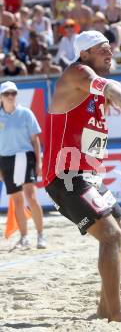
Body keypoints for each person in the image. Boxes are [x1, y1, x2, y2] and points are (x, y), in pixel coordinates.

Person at [42, 30, 121, 322]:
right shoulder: (77, 74)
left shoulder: (95, 90)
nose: (110, 54)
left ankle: (103, 309)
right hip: (65, 177)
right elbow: (112, 90)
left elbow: (118, 94)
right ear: (84, 54)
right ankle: (117, 316)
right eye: (102, 50)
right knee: (110, 236)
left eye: (110, 49)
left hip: (88, 176)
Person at [0, 81, 46, 249]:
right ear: (1, 97)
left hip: (24, 157)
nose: (11, 96)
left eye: (13, 93)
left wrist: (39, 162)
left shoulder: (26, 114)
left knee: (31, 197)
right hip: (5, 159)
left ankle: (41, 236)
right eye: (7, 94)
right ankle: (24, 237)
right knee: (17, 201)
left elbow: (35, 141)